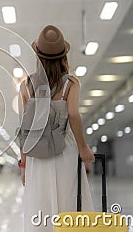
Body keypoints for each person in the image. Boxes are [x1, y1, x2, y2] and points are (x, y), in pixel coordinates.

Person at [18, 25, 95, 231]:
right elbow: (73, 114)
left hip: (37, 154)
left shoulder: (26, 86)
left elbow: (23, 129)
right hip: (65, 150)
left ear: (38, 56)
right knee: (69, 201)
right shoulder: (71, 83)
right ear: (63, 56)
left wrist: (24, 165)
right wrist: (83, 147)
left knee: (41, 204)